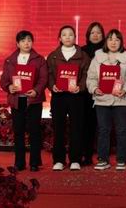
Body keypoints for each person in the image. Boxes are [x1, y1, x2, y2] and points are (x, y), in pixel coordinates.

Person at [86, 29, 126, 171]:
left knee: (121, 130)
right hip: (102, 99)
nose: (113, 42)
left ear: (121, 42)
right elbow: (91, 77)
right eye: (110, 39)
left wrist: (125, 90)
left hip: (121, 99)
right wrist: (94, 89)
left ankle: (122, 160)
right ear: (106, 41)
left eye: (117, 40)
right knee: (103, 130)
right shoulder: (97, 57)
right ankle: (103, 159)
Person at [0, 30, 47, 172]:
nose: (26, 43)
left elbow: (43, 79)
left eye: (29, 40)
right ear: (17, 44)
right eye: (23, 41)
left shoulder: (39, 59)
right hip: (17, 100)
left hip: (33, 100)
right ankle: (19, 162)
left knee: (35, 131)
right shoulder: (10, 60)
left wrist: (36, 90)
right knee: (18, 132)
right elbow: (4, 80)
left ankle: (34, 162)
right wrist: (9, 87)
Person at [47, 25, 91, 171]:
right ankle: (59, 160)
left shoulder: (83, 56)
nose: (67, 37)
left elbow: (87, 74)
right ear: (59, 38)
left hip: (76, 97)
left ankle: (75, 159)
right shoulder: (53, 56)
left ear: (75, 37)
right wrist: (52, 86)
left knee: (76, 128)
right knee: (58, 128)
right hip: (58, 97)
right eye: (64, 35)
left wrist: (81, 87)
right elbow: (49, 74)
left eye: (70, 34)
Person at [80, 22, 105, 166]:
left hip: (104, 93)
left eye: (98, 32)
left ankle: (103, 155)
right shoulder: (81, 51)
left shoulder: (108, 50)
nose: (95, 35)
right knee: (86, 125)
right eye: (92, 33)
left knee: (103, 126)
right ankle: (87, 155)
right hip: (85, 95)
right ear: (88, 35)